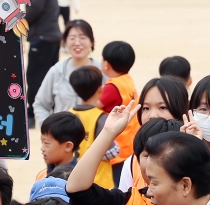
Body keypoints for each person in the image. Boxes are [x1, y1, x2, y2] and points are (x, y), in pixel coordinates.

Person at [19, 0, 63, 129]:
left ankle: (32, 114)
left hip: (43, 37)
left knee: (36, 77)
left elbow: (35, 7)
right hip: (49, 35)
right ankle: (47, 113)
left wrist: (19, 22)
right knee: (48, 77)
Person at [33, 20, 102, 124]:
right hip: (63, 137)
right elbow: (40, 104)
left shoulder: (102, 71)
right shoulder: (56, 71)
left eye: (82, 38)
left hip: (96, 137)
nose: (77, 43)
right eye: (72, 38)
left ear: (91, 41)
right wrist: (49, 129)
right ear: (65, 42)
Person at [98, 40, 139, 182]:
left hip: (118, 146)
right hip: (130, 142)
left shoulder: (112, 86)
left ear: (106, 64)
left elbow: (95, 104)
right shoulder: (128, 80)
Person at [69, 65, 114, 191]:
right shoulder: (100, 117)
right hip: (99, 182)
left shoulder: (68, 115)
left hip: (72, 179)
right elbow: (110, 151)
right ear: (100, 89)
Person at [37, 112, 85, 180]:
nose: (42, 148)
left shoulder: (80, 180)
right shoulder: (42, 176)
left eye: (46, 143)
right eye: (42, 142)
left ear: (68, 146)